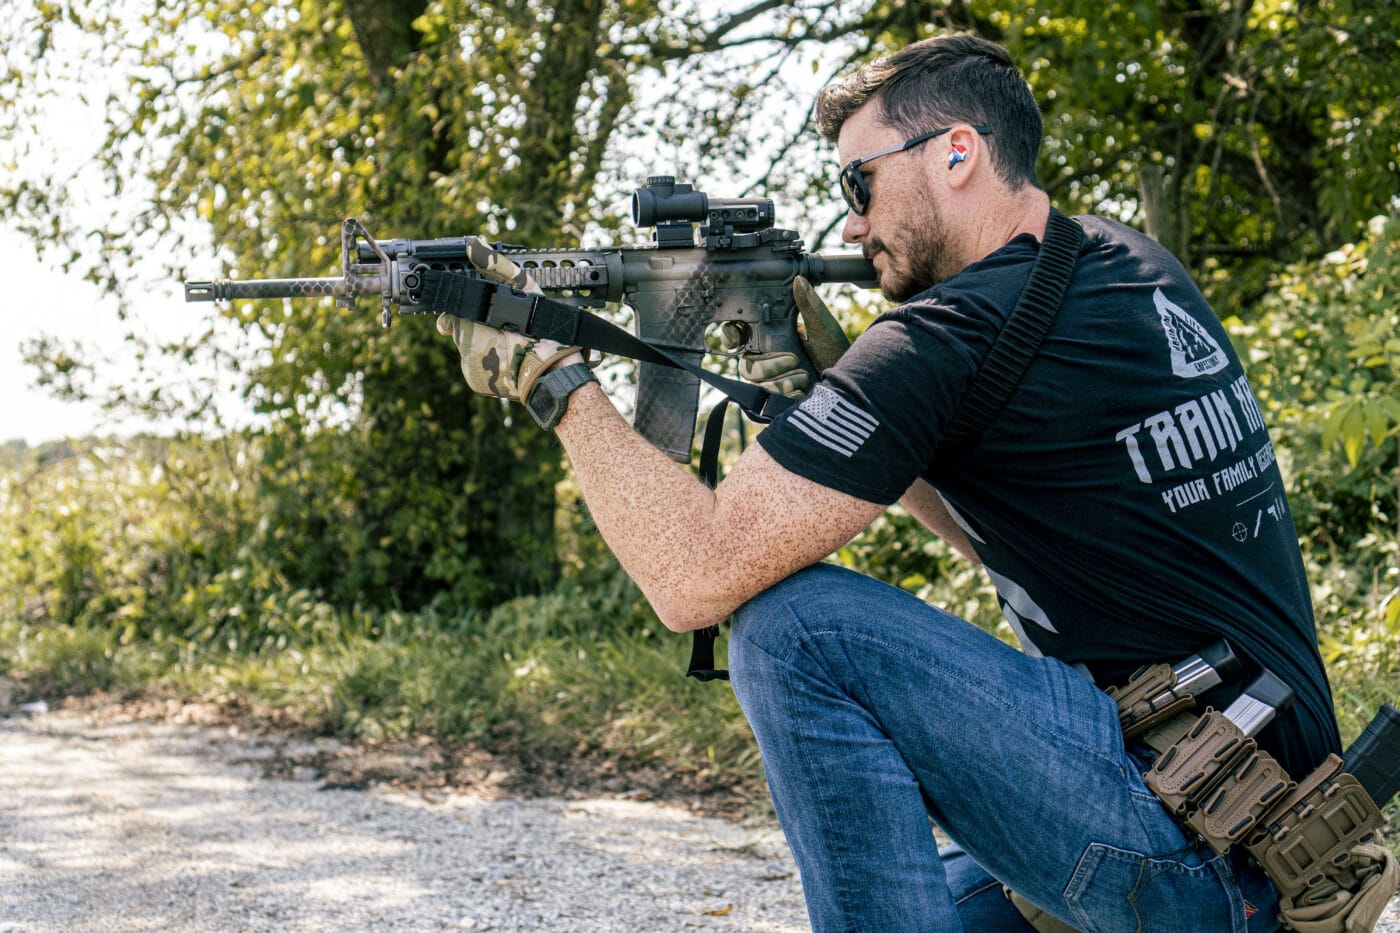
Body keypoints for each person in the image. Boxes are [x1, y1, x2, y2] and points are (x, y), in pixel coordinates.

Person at [437, 34, 1347, 932]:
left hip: (1187, 852)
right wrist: (825, 394)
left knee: (795, 629)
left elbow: (692, 577)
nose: (851, 225)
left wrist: (550, 376)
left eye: (858, 183)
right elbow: (1015, 531)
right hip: (1283, 848)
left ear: (957, 153)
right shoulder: (1126, 265)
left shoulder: (944, 337)